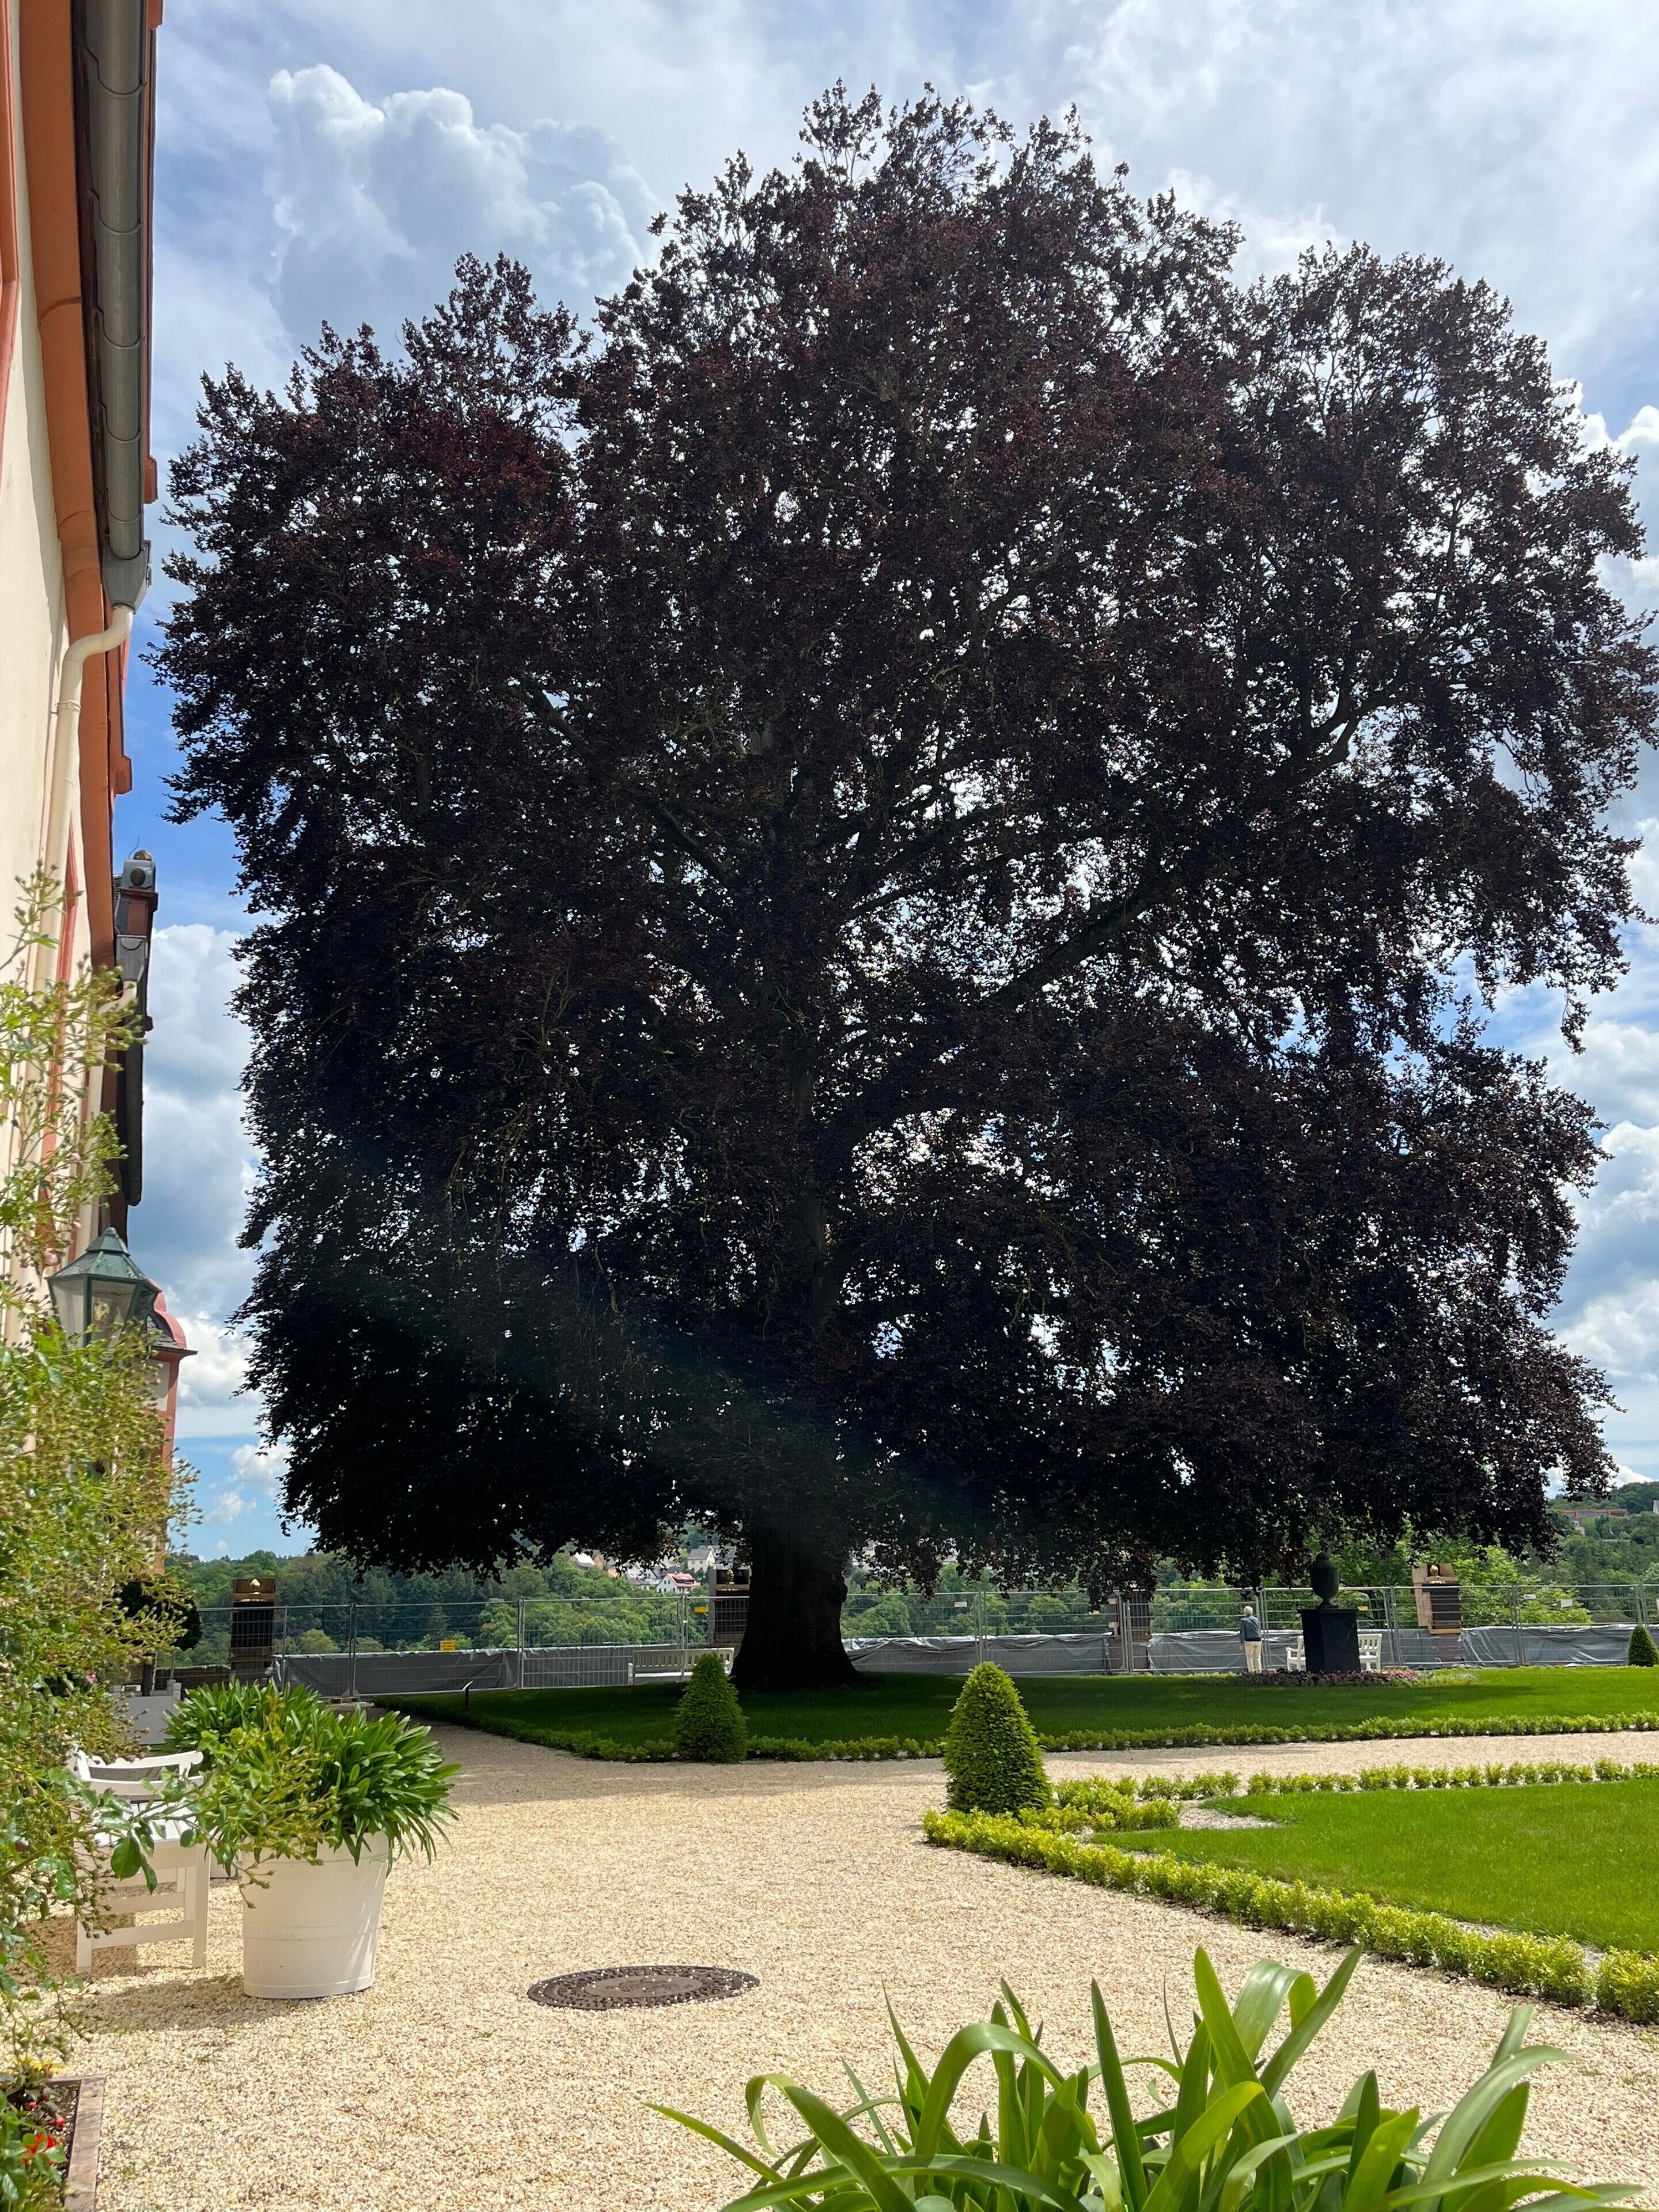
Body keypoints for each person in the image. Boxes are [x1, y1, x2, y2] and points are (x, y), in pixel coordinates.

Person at [1239, 1604, 1263, 1673]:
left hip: (1249, 1640)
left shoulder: (1243, 1620)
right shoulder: (1256, 1619)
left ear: (1245, 1612)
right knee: (1257, 1657)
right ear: (1252, 1612)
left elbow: (1242, 1632)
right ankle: (1259, 1672)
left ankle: (1251, 1673)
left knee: (1250, 1657)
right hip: (1258, 1639)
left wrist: (1242, 1643)